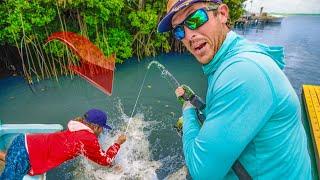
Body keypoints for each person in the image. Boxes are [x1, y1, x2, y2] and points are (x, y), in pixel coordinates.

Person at [158, 0, 311, 179]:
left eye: (196, 18)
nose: (189, 34)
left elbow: (202, 172)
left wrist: (188, 111)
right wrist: (195, 102)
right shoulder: (233, 57)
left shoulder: (243, 72)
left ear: (222, 14)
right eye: (179, 30)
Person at [0, 108, 127, 179]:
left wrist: (112, 167)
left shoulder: (76, 126)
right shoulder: (88, 138)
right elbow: (104, 160)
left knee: (13, 160)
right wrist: (118, 143)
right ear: (96, 127)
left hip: (24, 142)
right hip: (25, 154)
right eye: (102, 128)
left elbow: (92, 154)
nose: (102, 131)